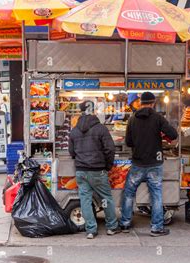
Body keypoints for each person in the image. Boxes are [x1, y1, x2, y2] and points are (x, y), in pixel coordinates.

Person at [119, 91, 178, 237]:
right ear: (153, 103)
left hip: (138, 163)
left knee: (128, 193)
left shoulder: (132, 119)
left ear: (141, 102)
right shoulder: (158, 118)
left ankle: (125, 224)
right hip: (154, 163)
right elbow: (173, 134)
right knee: (156, 195)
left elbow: (128, 142)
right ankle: (156, 228)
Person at [68, 100, 120, 239]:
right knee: (106, 198)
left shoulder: (74, 131)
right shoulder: (101, 129)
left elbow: (72, 152)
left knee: (85, 199)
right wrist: (108, 165)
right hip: (97, 170)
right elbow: (110, 149)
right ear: (94, 111)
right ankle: (111, 227)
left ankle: (91, 230)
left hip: (81, 171)